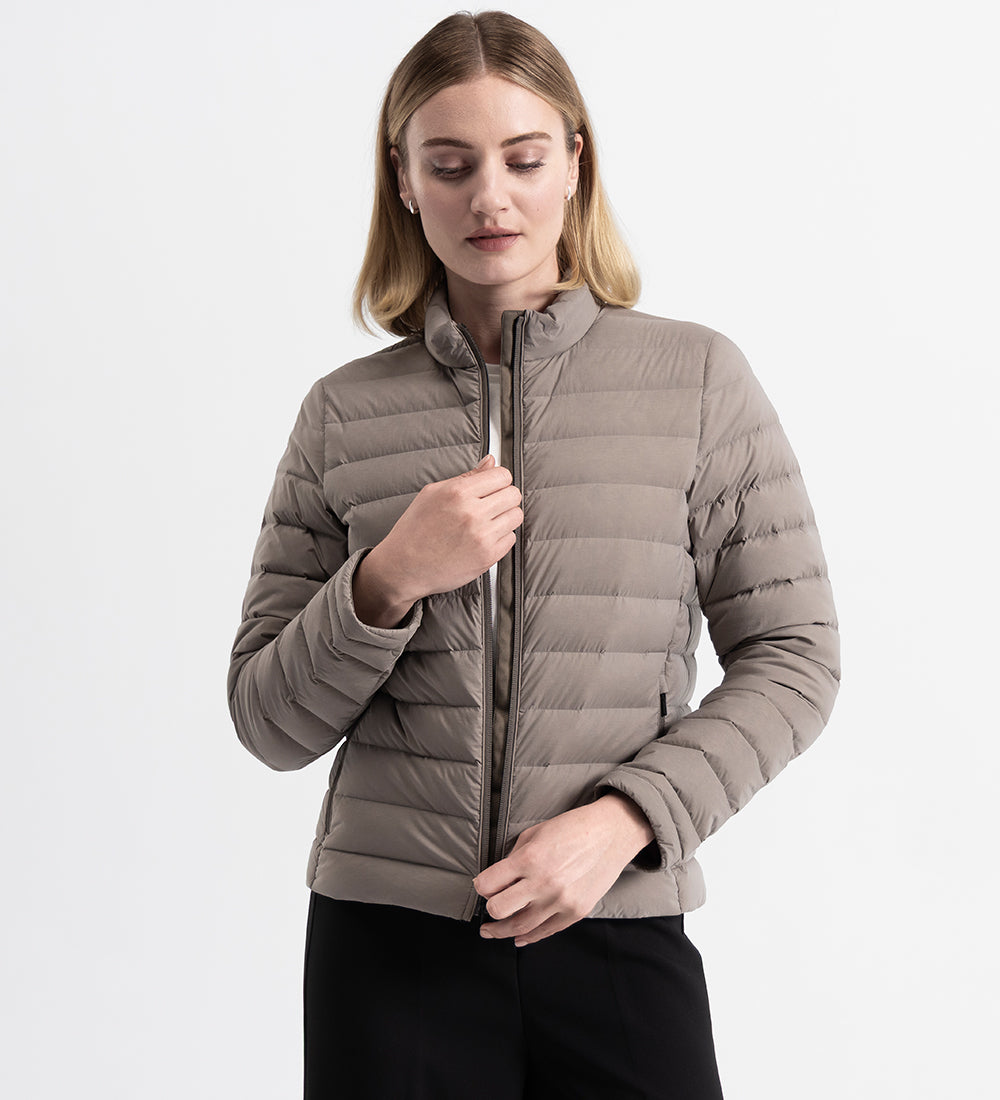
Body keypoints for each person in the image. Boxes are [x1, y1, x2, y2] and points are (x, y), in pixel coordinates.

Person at [226, 11, 841, 1099]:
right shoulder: (342, 413)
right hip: (389, 949)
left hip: (614, 924)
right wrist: (387, 579)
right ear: (403, 180)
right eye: (449, 165)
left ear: (575, 164)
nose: (489, 199)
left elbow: (795, 656)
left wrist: (627, 821)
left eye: (522, 159)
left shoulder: (697, 381)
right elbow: (269, 721)